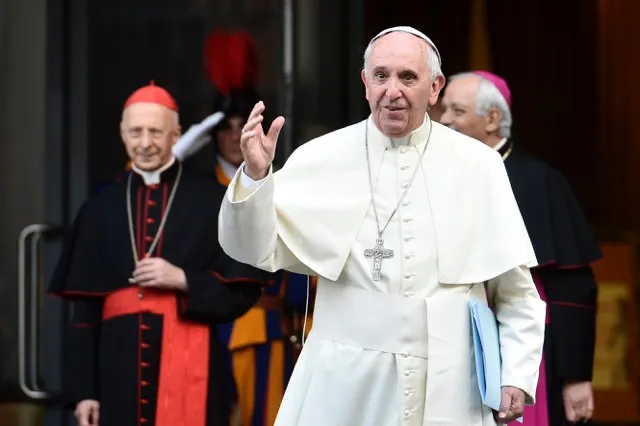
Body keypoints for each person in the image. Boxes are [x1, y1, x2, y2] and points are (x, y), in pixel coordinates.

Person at [218, 26, 547, 425]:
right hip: (343, 383)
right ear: (365, 83)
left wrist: (515, 374)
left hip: (452, 385)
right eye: (381, 76)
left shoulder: (480, 166)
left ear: (435, 87)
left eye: (408, 77)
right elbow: (253, 247)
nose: (393, 90)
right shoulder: (320, 157)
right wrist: (255, 176)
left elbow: (516, 293)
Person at [48, 82, 269, 426]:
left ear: (175, 134)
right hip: (114, 371)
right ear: (123, 134)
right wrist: (84, 391)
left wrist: (183, 279)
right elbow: (84, 314)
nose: (145, 142)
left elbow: (241, 294)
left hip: (193, 362)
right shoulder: (99, 209)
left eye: (155, 131)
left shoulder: (211, 200)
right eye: (136, 132)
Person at [439, 71, 601, 426]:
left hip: (525, 347)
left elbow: (573, 288)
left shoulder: (539, 180)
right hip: (452, 341)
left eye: (457, 110)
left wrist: (576, 376)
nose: (444, 118)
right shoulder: (437, 173)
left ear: (493, 118)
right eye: (443, 109)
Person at [175, 29, 316, 426]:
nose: (238, 136)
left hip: (260, 327)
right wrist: (177, 152)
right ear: (212, 135)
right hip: (197, 321)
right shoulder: (191, 188)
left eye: (245, 126)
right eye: (227, 127)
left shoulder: (282, 183)